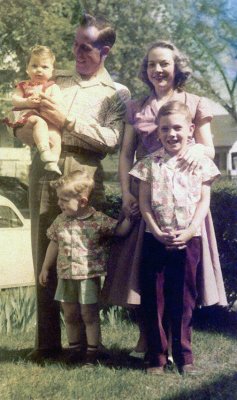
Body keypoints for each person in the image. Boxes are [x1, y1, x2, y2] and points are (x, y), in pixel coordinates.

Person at [14, 13, 130, 362]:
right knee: (45, 248)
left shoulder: (116, 93)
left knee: (83, 255)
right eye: (75, 44)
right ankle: (47, 343)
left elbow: (110, 140)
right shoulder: (54, 79)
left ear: (104, 50)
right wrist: (25, 130)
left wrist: (66, 121)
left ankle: (88, 346)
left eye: (86, 46)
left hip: (84, 171)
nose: (76, 52)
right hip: (44, 162)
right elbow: (17, 124)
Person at [102, 40, 227, 358]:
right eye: (151, 64)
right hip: (146, 195)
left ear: (176, 68)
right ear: (146, 71)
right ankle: (148, 339)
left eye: (164, 64)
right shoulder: (137, 107)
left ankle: (177, 341)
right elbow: (126, 154)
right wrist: (126, 191)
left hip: (184, 199)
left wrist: (197, 148)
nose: (157, 70)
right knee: (143, 273)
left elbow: (209, 148)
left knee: (181, 275)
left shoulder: (196, 103)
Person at [130, 100, 221, 374]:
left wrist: (191, 231)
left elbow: (204, 202)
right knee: (154, 299)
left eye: (178, 128)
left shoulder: (201, 164)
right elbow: (144, 204)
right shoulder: (147, 164)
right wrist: (156, 232)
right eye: (165, 129)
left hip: (189, 239)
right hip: (154, 238)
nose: (172, 134)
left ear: (191, 129)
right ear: (157, 132)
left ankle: (184, 357)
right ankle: (156, 357)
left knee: (183, 300)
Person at [39, 169, 132, 365]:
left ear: (82, 201)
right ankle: (74, 351)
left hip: (88, 277)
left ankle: (93, 352)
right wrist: (45, 268)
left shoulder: (97, 219)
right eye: (59, 199)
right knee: (71, 314)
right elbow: (54, 244)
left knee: (88, 315)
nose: (59, 203)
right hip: (65, 276)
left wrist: (130, 219)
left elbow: (119, 231)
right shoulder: (60, 221)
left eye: (64, 200)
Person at [4, 45, 63, 175]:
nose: (39, 70)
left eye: (44, 67)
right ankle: (44, 151)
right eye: (34, 66)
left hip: (48, 117)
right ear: (27, 68)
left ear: (52, 71)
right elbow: (15, 99)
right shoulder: (24, 85)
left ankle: (53, 162)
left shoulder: (53, 87)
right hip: (27, 114)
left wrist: (45, 99)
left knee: (56, 136)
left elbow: (58, 102)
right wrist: (26, 102)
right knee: (38, 122)